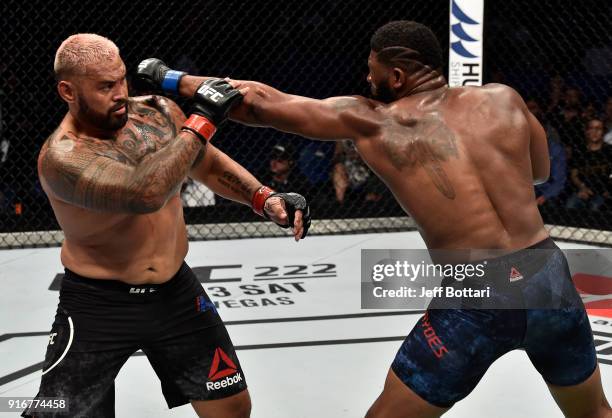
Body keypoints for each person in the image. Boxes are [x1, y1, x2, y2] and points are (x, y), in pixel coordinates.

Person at [138, 21, 610, 418]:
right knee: (592, 413)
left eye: (373, 72)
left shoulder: (374, 121)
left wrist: (166, 77)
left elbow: (259, 101)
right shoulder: (504, 99)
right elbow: (540, 173)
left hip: (479, 291)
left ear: (398, 76)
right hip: (547, 274)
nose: (368, 81)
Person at [24, 33, 311, 418]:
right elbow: (144, 193)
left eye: (122, 79)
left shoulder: (158, 112)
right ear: (68, 91)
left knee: (233, 409)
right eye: (106, 86)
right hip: (98, 304)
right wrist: (204, 120)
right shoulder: (62, 157)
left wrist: (264, 198)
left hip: (175, 293)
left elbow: (205, 162)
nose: (120, 93)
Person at [565, 117, 612, 211]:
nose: (595, 132)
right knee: (570, 205)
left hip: (604, 192)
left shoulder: (609, 150)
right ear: (586, 131)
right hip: (583, 189)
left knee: (595, 207)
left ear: (603, 132)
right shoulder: (579, 150)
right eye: (591, 128)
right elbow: (574, 175)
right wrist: (582, 188)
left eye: (598, 128)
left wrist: (608, 191)